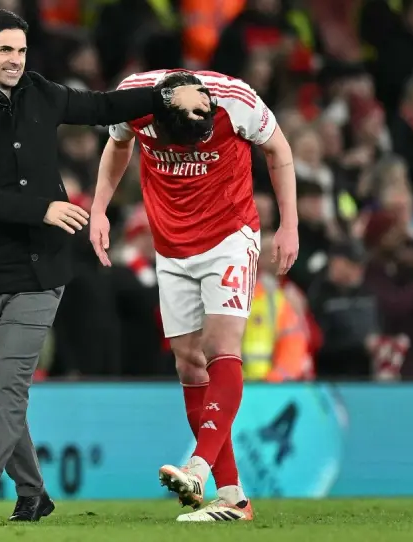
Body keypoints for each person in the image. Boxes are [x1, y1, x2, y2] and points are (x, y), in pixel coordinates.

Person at [0, 9, 211, 525]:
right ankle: (33, 494)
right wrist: (42, 209)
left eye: (21, 50)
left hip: (41, 268)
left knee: (9, 388)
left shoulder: (41, 92)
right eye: (5, 50)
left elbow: (101, 106)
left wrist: (163, 96)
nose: (16, 60)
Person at [89, 70, 299, 522]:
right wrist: (99, 209)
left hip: (229, 235)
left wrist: (289, 224)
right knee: (188, 363)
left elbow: (278, 149)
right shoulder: (132, 98)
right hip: (170, 244)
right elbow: (118, 144)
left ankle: (198, 468)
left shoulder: (236, 99)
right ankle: (234, 499)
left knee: (220, 346)